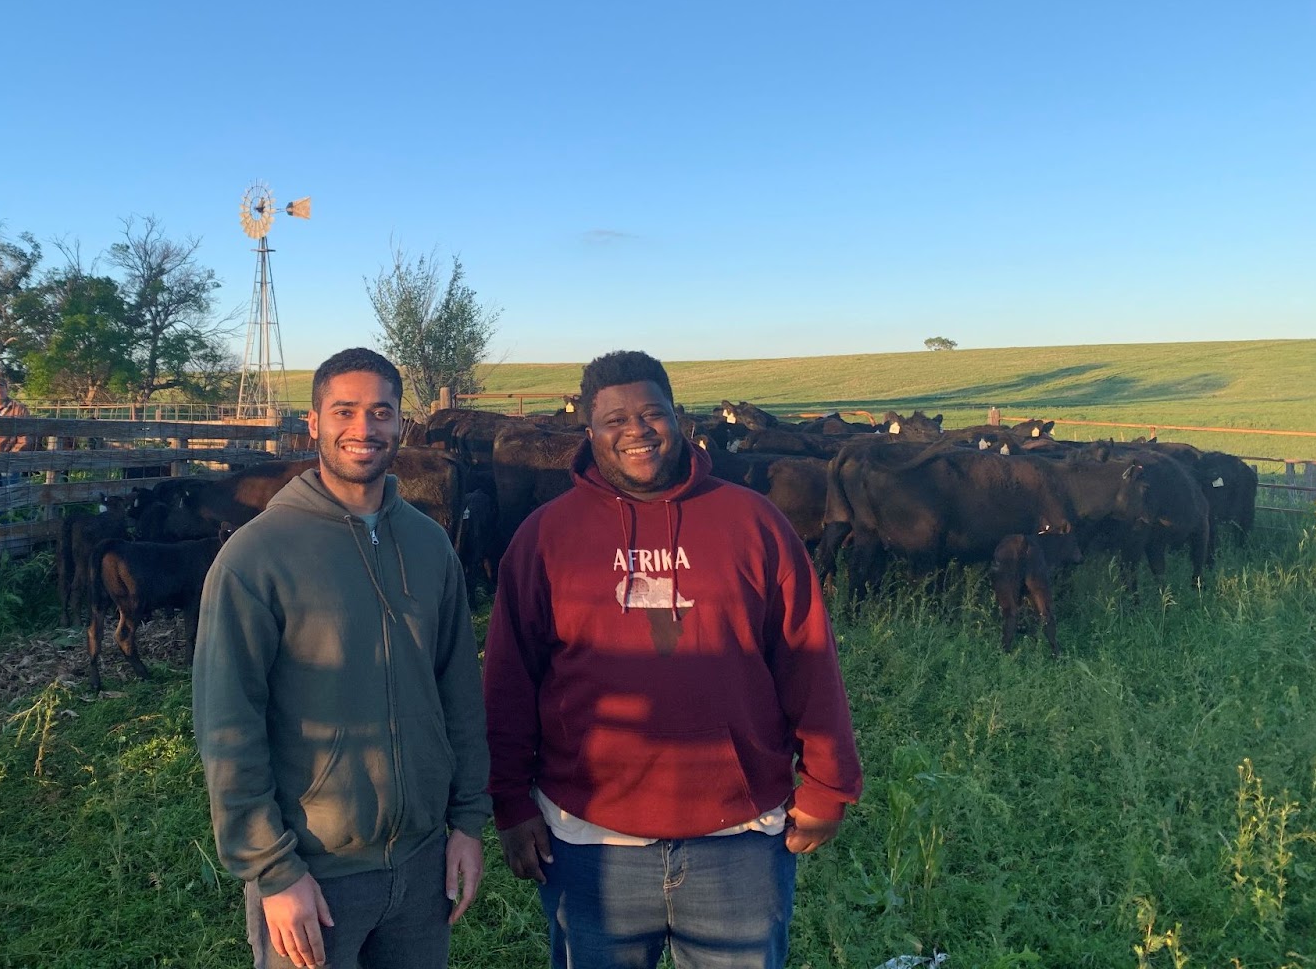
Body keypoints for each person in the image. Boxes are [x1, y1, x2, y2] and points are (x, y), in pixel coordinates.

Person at [482, 349, 863, 969]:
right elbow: (508, 681)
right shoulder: (545, 537)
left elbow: (807, 658)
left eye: (651, 413)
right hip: (588, 839)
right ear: (589, 431)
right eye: (614, 419)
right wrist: (509, 801)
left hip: (737, 836)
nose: (635, 430)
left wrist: (828, 782)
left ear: (679, 418)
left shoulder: (754, 523)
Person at [193, 347, 491, 969]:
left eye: (381, 411)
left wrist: (467, 822)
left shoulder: (430, 544)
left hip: (421, 865)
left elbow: (459, 689)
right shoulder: (256, 557)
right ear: (313, 422)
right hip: (314, 872)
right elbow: (228, 725)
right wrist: (273, 870)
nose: (364, 428)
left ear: (401, 425)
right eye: (345, 410)